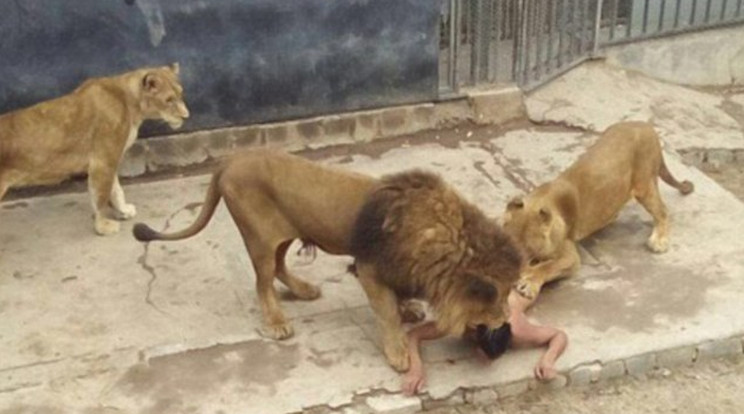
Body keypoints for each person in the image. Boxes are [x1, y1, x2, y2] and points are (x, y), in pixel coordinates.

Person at [401, 289, 568, 396]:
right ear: (473, 335)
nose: (487, 362)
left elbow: (559, 335)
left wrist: (548, 360)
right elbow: (413, 335)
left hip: (519, 291)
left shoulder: (519, 331)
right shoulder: (463, 323)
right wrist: (416, 368)